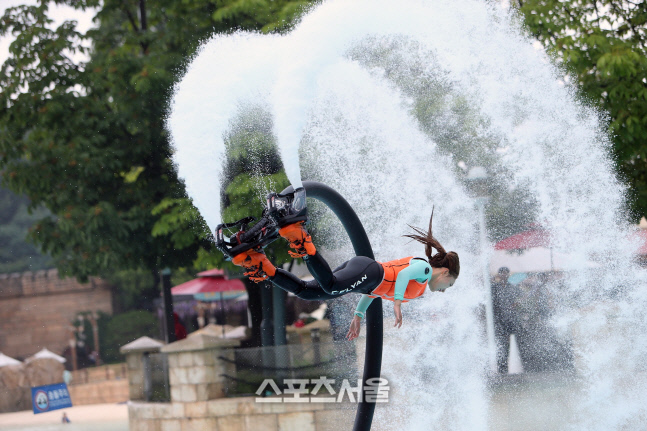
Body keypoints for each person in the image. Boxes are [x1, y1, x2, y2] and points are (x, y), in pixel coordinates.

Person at [220, 188, 460, 341]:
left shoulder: (418, 289)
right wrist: (397, 305)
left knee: (311, 291)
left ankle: (263, 265)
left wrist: (358, 316)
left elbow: (375, 292)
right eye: (448, 285)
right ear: (445, 272)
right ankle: (302, 240)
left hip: (367, 279)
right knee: (331, 287)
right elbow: (405, 274)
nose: (444, 290)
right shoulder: (425, 270)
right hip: (370, 271)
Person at [491, 267, 521, 373]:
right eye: (502, 273)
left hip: (510, 320)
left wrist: (517, 304)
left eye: (506, 274)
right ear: (499, 274)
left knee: (510, 344)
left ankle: (507, 367)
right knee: (500, 344)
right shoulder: (494, 288)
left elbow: (520, 297)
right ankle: (501, 367)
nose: (504, 276)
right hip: (498, 321)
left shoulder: (512, 287)